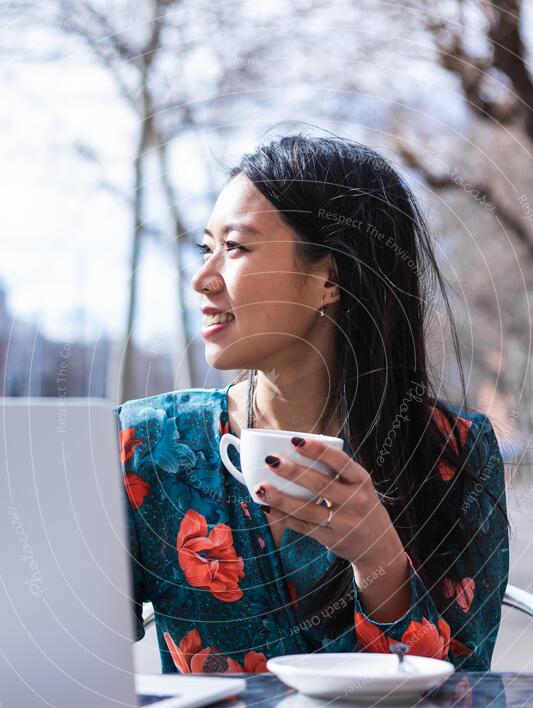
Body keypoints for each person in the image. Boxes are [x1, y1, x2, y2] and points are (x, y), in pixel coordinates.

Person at [115, 133, 510, 675]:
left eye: (235, 248)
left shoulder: (453, 453)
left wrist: (379, 562)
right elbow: (63, 646)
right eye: (206, 249)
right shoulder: (150, 444)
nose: (202, 279)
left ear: (328, 276)